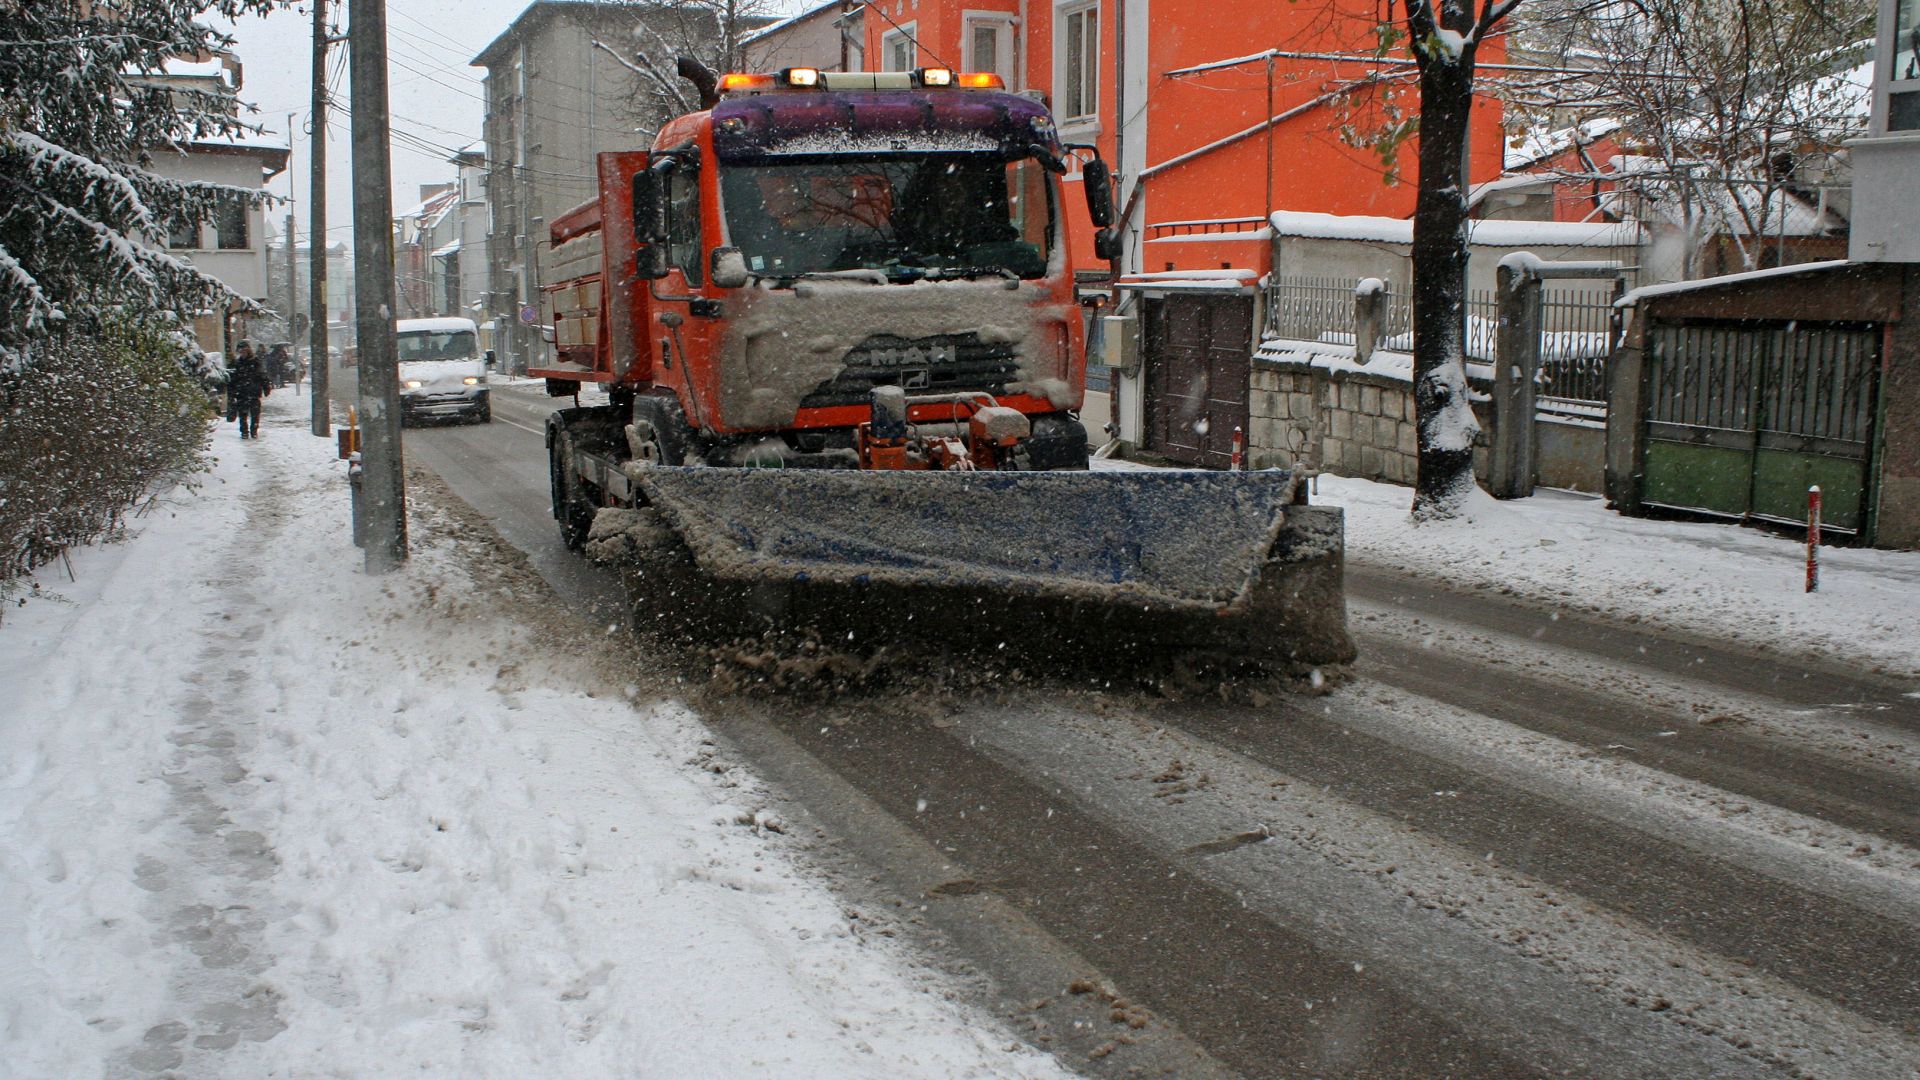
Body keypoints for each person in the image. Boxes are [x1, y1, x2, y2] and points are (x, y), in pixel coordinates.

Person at [226, 340, 270, 439]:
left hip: (254, 392)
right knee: (243, 414)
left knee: (255, 414)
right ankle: (244, 432)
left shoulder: (255, 362)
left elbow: (262, 375)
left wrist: (266, 387)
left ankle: (254, 431)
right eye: (241, 351)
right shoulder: (237, 364)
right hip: (241, 393)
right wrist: (232, 392)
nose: (243, 353)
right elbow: (232, 380)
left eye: (245, 350)